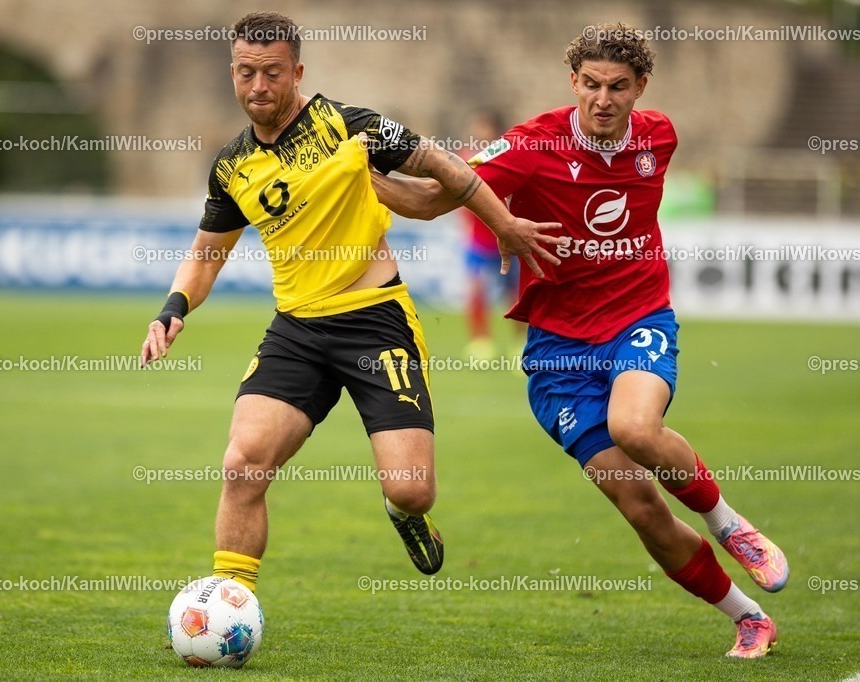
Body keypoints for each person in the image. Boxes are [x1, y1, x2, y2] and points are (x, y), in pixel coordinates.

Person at [370, 23, 788, 659]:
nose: (602, 100)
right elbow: (429, 200)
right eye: (590, 85)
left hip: (638, 320)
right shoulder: (531, 145)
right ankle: (748, 615)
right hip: (559, 356)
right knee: (642, 506)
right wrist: (355, 174)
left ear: (640, 88)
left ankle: (730, 525)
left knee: (637, 429)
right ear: (573, 83)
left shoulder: (660, 136)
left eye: (618, 87)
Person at [139, 12, 560, 594]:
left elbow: (441, 165)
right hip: (296, 332)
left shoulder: (346, 124)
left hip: (376, 323)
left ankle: (405, 514)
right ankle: (228, 601)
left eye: (271, 73)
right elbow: (207, 254)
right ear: (231, 74)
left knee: (412, 488)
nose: (257, 87)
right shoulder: (232, 167)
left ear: (297, 72)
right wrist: (174, 307)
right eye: (244, 73)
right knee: (243, 464)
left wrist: (504, 224)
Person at [457, 111, 524, 361]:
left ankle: (520, 345)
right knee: (476, 291)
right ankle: (480, 343)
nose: (479, 134)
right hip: (478, 242)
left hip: (506, 240)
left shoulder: (507, 160)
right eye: (476, 128)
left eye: (484, 129)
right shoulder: (463, 161)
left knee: (514, 295)